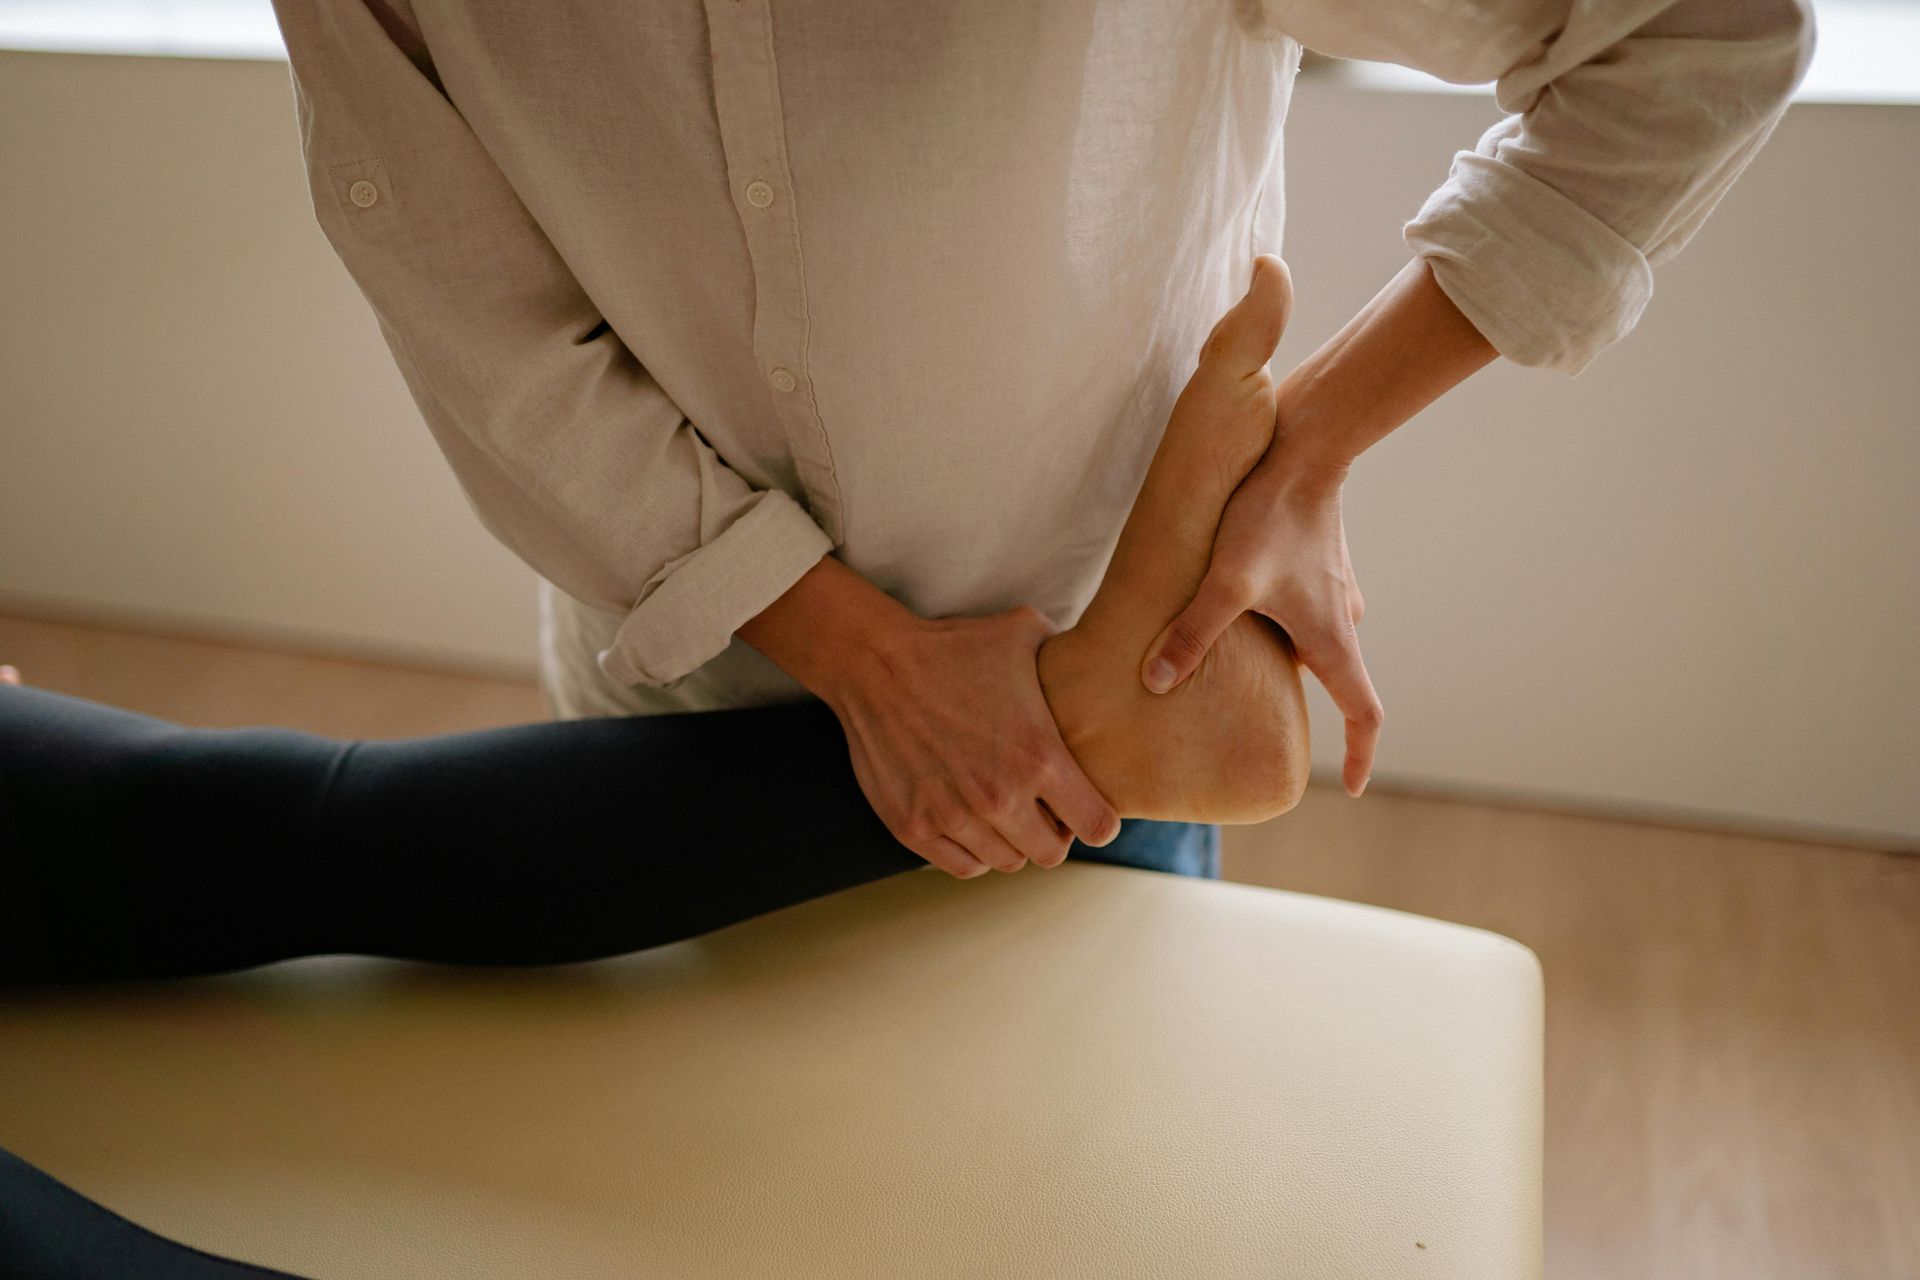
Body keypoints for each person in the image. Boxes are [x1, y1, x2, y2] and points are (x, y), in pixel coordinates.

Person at [264, 0, 1816, 886]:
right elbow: (478, 309)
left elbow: (1704, 27)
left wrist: (1306, 451)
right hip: (680, 667)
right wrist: (859, 655)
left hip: (1109, 709)